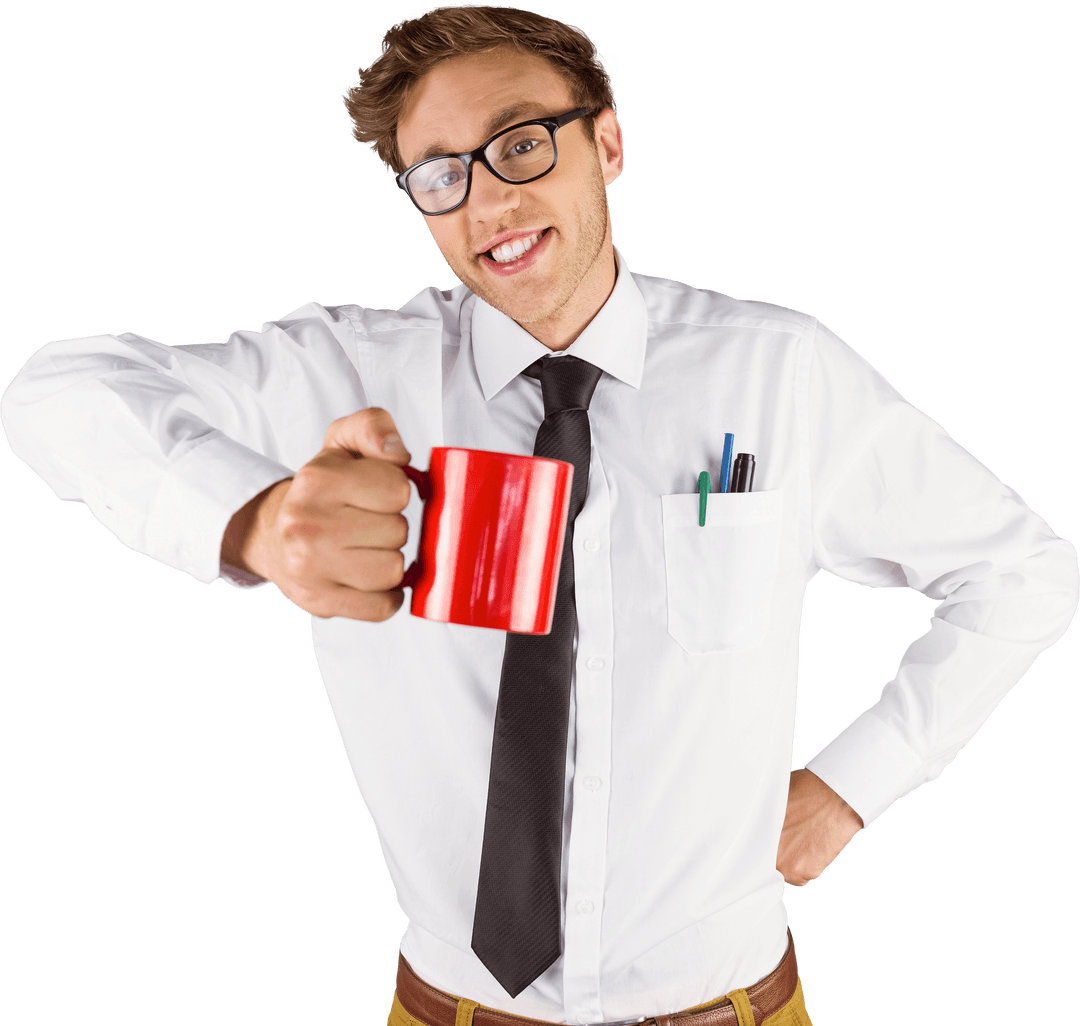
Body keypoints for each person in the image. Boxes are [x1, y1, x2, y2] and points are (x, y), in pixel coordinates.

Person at [2, 5, 1076, 1025]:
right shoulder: (346, 376)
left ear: (607, 145)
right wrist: (255, 517)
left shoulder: (780, 371)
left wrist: (854, 783)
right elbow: (55, 391)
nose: (488, 201)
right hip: (450, 1005)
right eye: (440, 174)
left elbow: (1024, 575)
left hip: (731, 1003)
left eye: (522, 144)